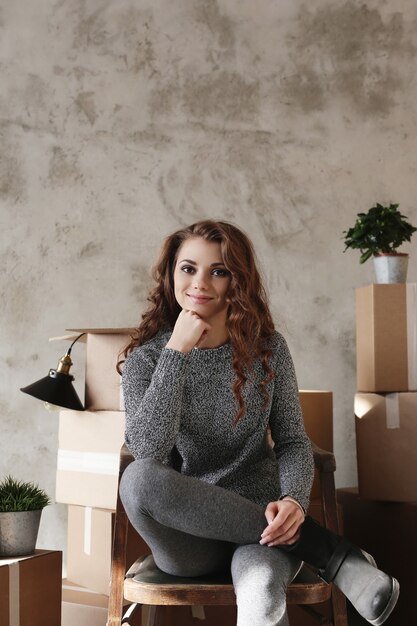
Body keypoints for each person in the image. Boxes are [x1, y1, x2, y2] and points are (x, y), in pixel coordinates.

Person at [119, 220, 399, 626]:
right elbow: (148, 450)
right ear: (170, 274)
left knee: (262, 591)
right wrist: (177, 350)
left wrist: (293, 503)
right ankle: (329, 554)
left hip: (266, 521)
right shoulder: (148, 359)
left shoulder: (267, 350)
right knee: (138, 479)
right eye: (188, 268)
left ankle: (308, 542)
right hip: (189, 541)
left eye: (218, 271)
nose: (200, 282)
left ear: (238, 280)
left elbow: (293, 442)